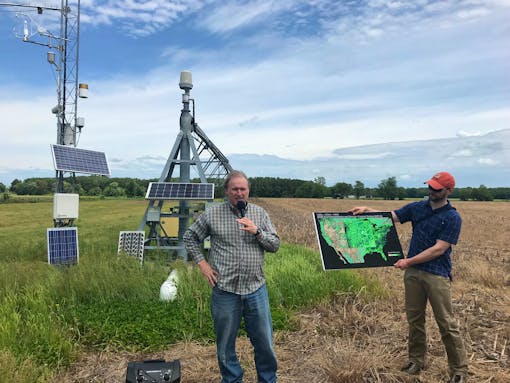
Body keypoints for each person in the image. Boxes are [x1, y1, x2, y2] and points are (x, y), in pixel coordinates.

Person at [349, 171, 468, 383]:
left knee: (447, 324)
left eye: (436, 188)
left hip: (436, 275)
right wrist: (368, 211)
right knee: (415, 320)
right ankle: (416, 360)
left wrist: (409, 261)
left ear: (449, 191)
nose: (431, 191)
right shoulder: (417, 207)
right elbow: (391, 217)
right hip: (413, 274)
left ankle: (458, 371)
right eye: (430, 186)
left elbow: (438, 249)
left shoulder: (452, 217)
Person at [183, 170, 280, 383]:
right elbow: (189, 237)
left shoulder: (259, 214)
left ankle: (268, 379)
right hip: (225, 291)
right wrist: (203, 265)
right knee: (225, 345)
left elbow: (275, 245)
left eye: (243, 189)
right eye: (234, 189)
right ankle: (232, 379)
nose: (239, 193)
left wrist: (257, 232)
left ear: (248, 191)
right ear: (227, 191)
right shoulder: (212, 214)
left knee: (264, 342)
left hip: (256, 289)